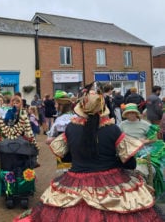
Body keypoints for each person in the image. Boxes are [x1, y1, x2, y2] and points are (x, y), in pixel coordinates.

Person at [14, 86, 164, 222]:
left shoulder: (71, 128)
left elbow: (64, 157)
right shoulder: (112, 130)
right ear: (102, 108)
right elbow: (130, 162)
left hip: (76, 179)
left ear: (82, 108)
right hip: (111, 181)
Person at [119, 103, 165, 197]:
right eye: (129, 113)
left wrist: (145, 141)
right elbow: (118, 139)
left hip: (142, 150)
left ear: (136, 113)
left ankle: (147, 188)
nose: (131, 115)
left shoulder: (145, 124)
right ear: (126, 114)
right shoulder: (122, 125)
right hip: (127, 149)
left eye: (133, 113)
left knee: (149, 166)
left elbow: (154, 138)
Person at [45, 90, 76, 174]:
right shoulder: (76, 117)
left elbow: (49, 139)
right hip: (77, 154)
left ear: (61, 105)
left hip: (64, 153)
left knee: (66, 177)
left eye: (56, 104)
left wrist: (54, 139)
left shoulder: (60, 120)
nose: (55, 106)